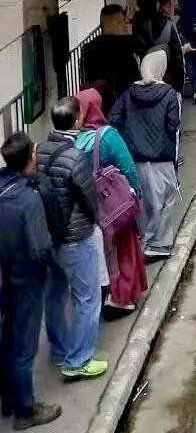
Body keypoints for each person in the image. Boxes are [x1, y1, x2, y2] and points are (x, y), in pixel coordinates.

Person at [37, 98, 107, 382]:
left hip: (50, 238)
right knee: (87, 299)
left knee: (54, 296)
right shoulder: (76, 157)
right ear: (77, 120)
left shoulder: (40, 151)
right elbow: (90, 198)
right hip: (76, 238)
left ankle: (59, 350)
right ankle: (78, 359)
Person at [0, 132, 61, 430]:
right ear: (29, 158)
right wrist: (53, 267)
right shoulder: (29, 198)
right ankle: (25, 411)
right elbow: (39, 248)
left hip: (3, 279)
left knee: (6, 340)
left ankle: (8, 400)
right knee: (25, 347)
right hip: (26, 280)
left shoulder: (2, 188)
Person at [74, 89, 147, 317]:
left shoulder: (74, 140)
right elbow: (128, 168)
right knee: (123, 249)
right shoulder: (107, 136)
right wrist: (137, 196)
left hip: (87, 209)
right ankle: (121, 296)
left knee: (101, 254)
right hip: (113, 205)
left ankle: (104, 295)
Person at [109, 49, 181, 262]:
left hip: (135, 158)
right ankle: (158, 245)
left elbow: (113, 119)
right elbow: (173, 126)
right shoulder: (170, 94)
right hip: (162, 157)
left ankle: (147, 241)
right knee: (167, 200)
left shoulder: (129, 92)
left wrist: (131, 135)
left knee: (144, 201)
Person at [80, 4, 140, 115]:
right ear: (113, 24)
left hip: (99, 108)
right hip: (124, 106)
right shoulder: (124, 46)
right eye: (122, 21)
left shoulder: (89, 48)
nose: (125, 24)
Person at [133, 0, 188, 96]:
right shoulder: (167, 24)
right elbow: (177, 57)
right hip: (167, 80)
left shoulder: (134, 25)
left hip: (143, 78)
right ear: (157, 3)